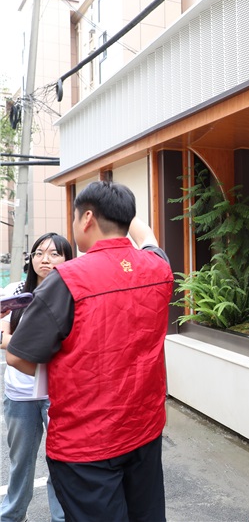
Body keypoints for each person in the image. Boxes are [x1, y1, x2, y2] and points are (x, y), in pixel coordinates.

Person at [6, 181, 174, 522]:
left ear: (87, 219)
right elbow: (148, 238)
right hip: (143, 430)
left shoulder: (66, 279)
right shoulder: (158, 267)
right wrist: (124, 213)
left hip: (87, 442)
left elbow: (19, 358)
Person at [0, 233, 71, 522]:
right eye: (39, 253)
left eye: (54, 254)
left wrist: (19, 344)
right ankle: (13, 516)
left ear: (67, 259)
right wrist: (33, 347)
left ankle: (62, 517)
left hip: (58, 393)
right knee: (21, 462)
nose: (45, 259)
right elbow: (2, 337)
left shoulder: (72, 294)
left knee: (62, 462)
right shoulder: (16, 290)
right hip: (20, 392)